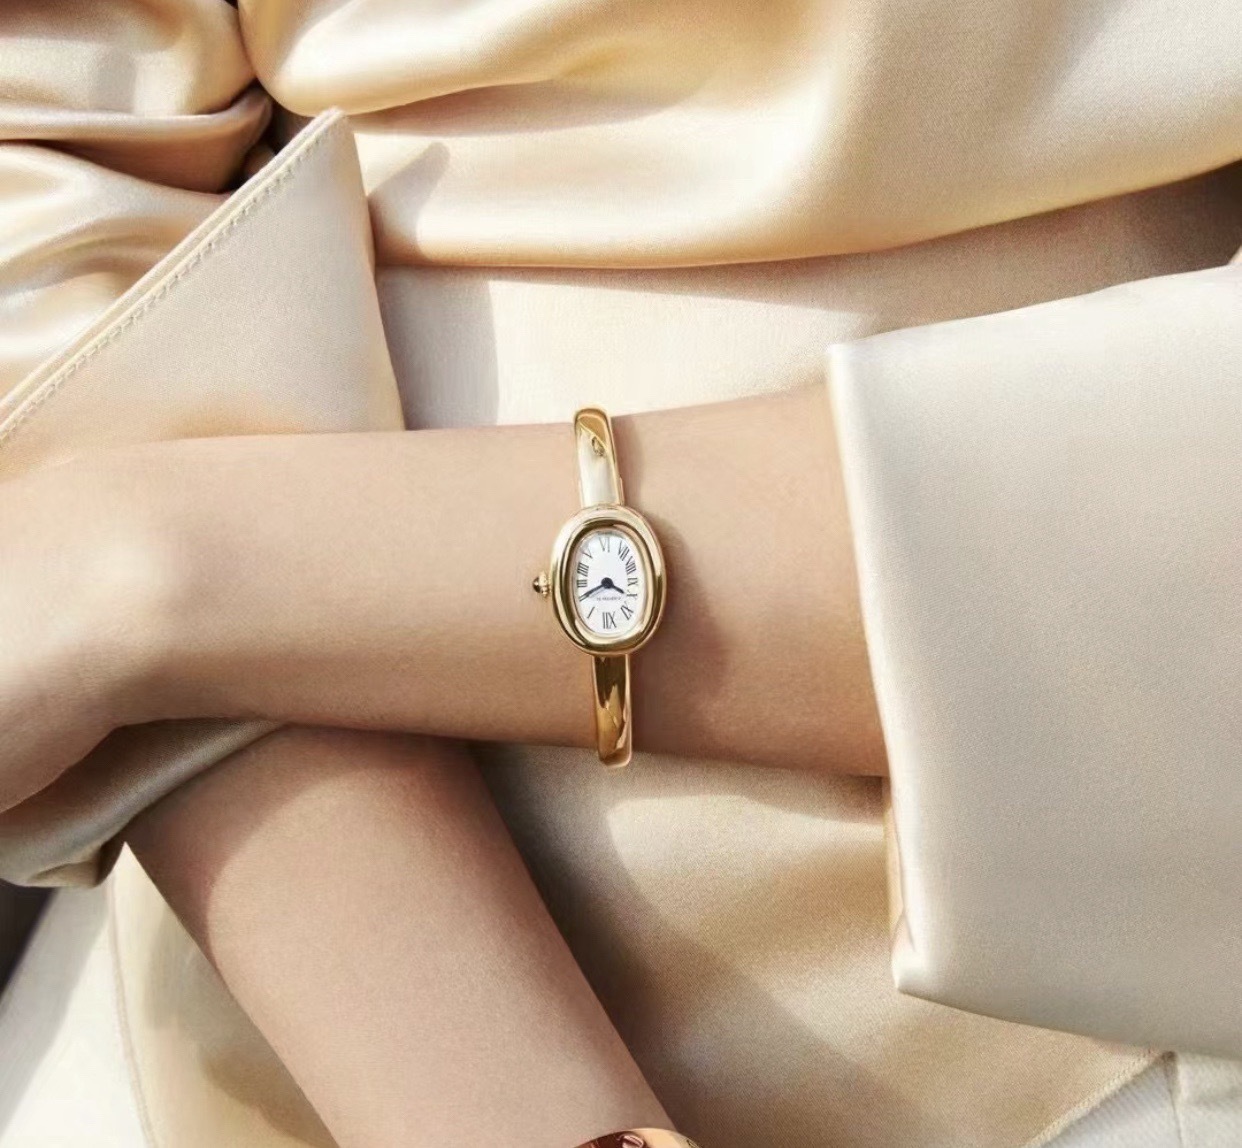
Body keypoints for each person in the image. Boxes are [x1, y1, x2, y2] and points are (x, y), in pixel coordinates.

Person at [0, 3, 1240, 1146]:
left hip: (1127, 999)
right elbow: (50, 166)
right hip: (249, 1003)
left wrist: (174, 571)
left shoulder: (138, 574)